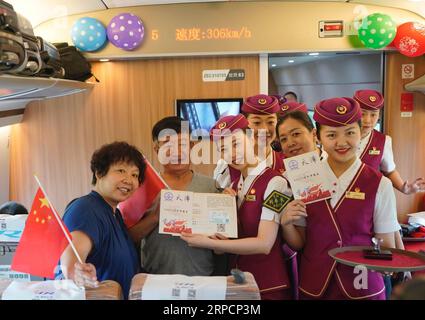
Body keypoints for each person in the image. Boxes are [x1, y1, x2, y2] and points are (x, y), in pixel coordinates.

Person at [281, 97, 400, 300]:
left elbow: (386, 246)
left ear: (361, 133)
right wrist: (286, 224)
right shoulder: (304, 177)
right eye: (332, 135)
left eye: (350, 133)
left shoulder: (380, 184)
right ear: (318, 137)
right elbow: (299, 243)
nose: (342, 142)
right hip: (315, 286)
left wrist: (392, 266)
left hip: (363, 288)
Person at [182, 114, 293, 300]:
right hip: (239, 284)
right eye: (223, 149)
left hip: (268, 286)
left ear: (251, 138)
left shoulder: (278, 183)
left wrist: (209, 242)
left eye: (236, 144)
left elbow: (265, 243)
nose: (232, 154)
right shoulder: (233, 187)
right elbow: (225, 243)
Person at [129, 116, 227, 276]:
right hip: (154, 280)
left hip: (202, 278)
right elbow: (130, 237)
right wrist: (156, 217)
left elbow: (221, 247)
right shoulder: (142, 187)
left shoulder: (212, 187)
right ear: (156, 149)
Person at [60, 141, 146, 299]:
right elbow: (71, 259)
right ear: (99, 173)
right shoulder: (86, 209)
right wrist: (78, 273)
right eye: (121, 170)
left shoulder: (114, 213)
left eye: (134, 175)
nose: (129, 179)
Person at [353, 89, 425, 195]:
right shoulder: (340, 137)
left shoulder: (383, 141)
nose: (368, 120)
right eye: (363, 114)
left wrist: (405, 188)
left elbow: (389, 171)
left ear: (379, 115)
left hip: (368, 198)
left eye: (373, 115)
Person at [214, 94, 284, 189]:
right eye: (256, 123)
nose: (264, 129)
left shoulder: (286, 162)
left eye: (270, 122)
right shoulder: (226, 167)